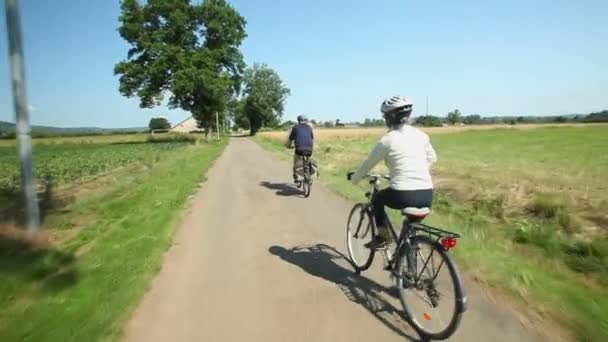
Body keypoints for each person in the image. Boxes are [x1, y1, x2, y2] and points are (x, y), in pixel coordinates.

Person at [347, 96, 437, 250]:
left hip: (403, 194)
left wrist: (355, 179)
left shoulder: (387, 140)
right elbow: (432, 158)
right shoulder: (422, 136)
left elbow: (367, 165)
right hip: (427, 193)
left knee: (377, 199)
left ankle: (383, 237)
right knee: (410, 227)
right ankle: (407, 253)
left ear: (389, 117)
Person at [287, 115, 314, 183]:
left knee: (296, 162)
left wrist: (289, 146)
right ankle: (309, 174)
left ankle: (296, 176)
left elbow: (290, 139)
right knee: (308, 160)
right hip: (309, 149)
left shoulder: (295, 127)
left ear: (298, 121)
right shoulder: (309, 127)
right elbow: (312, 138)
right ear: (305, 121)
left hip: (299, 149)